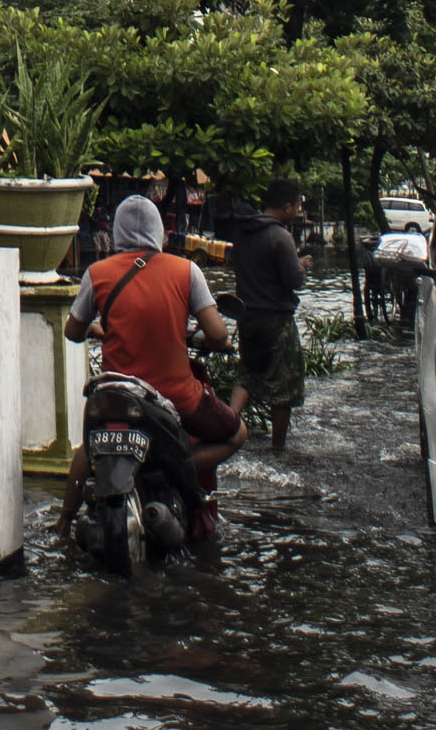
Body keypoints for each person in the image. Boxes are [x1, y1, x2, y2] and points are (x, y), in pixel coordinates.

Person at [65, 193, 242, 547]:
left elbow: (72, 331)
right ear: (160, 232)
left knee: (90, 446)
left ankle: (60, 523)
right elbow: (219, 333)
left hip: (115, 395)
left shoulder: (96, 273)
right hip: (175, 396)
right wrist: (215, 342)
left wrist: (97, 328)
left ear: (116, 233)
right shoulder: (186, 270)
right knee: (237, 435)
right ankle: (175, 463)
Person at [230, 178, 311, 452]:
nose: (299, 212)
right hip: (276, 321)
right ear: (287, 207)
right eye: (298, 206)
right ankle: (278, 448)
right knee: (284, 388)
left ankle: (228, 424)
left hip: (248, 318)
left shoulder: (242, 232)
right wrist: (300, 267)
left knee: (249, 374)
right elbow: (293, 280)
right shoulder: (280, 237)